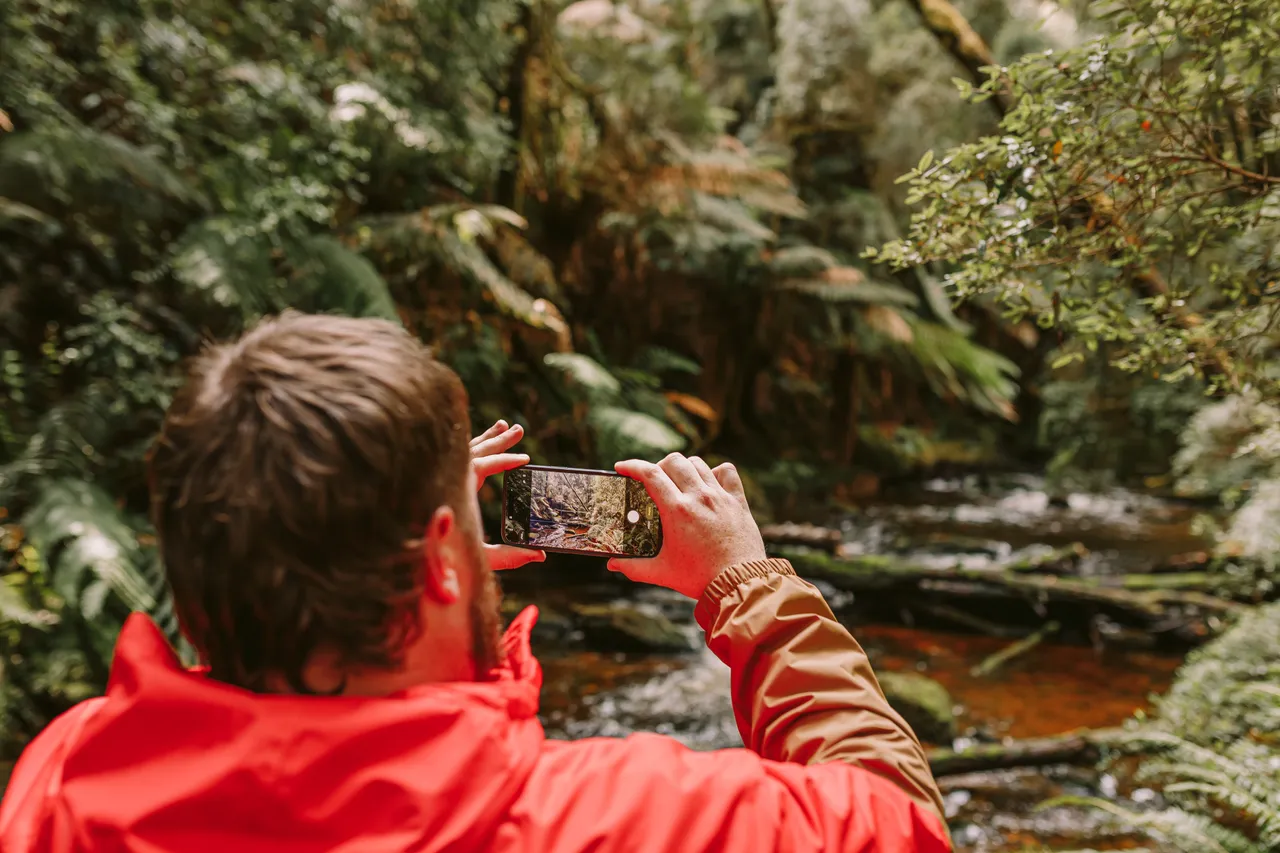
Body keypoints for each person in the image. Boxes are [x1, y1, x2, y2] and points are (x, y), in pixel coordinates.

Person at [0, 312, 950, 853]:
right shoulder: (633, 818)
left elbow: (266, 741)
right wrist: (746, 581)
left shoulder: (65, 775)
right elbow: (899, 823)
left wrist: (413, 590)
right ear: (435, 559)